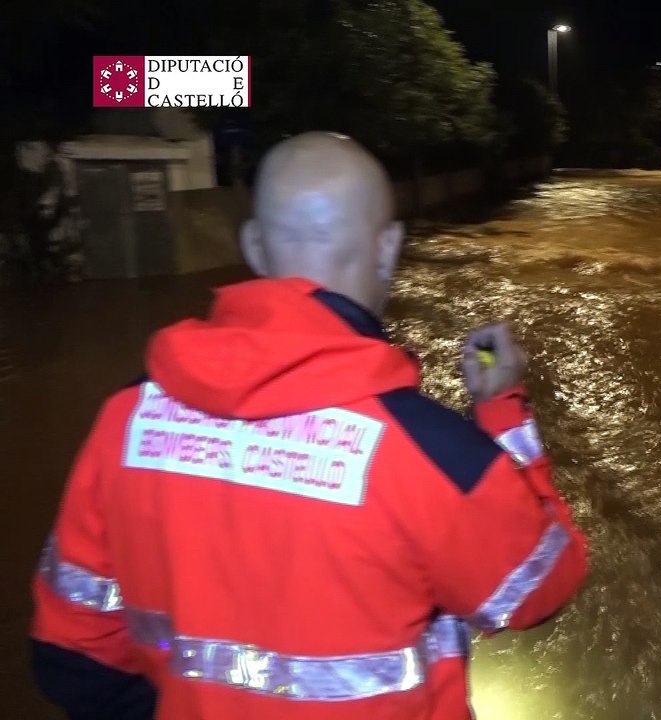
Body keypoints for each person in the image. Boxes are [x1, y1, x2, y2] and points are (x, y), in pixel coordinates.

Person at [30, 132, 589, 720]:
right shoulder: (430, 452)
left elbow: (73, 657)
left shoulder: (125, 418)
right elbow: (539, 588)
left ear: (253, 246)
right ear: (387, 248)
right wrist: (504, 414)